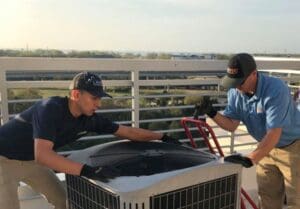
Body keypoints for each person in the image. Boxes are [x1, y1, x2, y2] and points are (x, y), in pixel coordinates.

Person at [0, 72, 180, 209]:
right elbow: (43, 155)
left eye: (99, 98)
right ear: (76, 95)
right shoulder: (49, 109)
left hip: (31, 160)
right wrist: (88, 171)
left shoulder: (89, 118)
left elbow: (128, 131)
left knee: (63, 200)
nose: (99, 104)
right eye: (94, 98)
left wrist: (162, 137)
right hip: (3, 161)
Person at [199, 53, 300, 209]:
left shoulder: (275, 89)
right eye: (233, 82)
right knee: (267, 198)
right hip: (265, 148)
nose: (237, 87)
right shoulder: (235, 91)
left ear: (254, 73)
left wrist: (251, 158)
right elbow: (231, 125)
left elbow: (274, 132)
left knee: (296, 200)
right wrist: (212, 113)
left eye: (240, 82)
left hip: (294, 147)